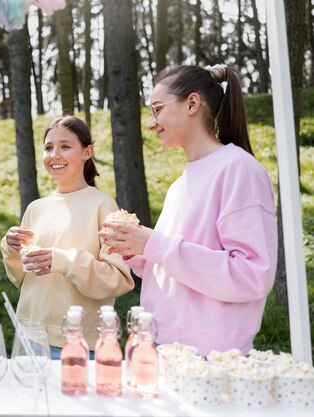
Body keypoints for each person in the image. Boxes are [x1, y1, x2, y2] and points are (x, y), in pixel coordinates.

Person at [101, 64, 277, 356]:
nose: (151, 123)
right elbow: (174, 264)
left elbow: (251, 275)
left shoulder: (238, 169)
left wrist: (153, 243)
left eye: (158, 109)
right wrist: (136, 251)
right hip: (159, 344)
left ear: (192, 103)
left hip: (210, 357)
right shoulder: (179, 185)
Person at [1, 116, 134, 360]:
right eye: (49, 147)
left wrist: (64, 261)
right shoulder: (36, 208)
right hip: (28, 338)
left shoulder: (103, 206)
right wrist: (10, 249)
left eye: (65, 146)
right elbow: (20, 277)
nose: (54, 154)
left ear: (87, 152)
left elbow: (118, 278)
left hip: (77, 343)